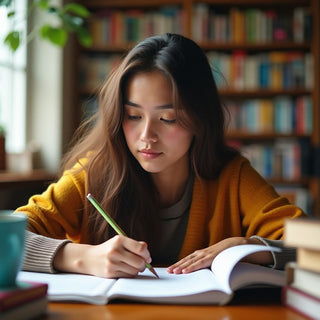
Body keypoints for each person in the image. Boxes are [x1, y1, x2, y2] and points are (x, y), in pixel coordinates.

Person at [16, 33, 305, 278]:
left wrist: (247, 246)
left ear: (200, 119)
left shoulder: (232, 177)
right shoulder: (92, 174)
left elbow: (309, 244)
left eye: (167, 119)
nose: (146, 136)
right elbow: (8, 239)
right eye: (132, 115)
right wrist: (81, 258)